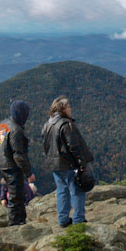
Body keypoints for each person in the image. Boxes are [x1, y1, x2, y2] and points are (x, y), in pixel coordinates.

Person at [41, 96, 94, 227]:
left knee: (61, 190)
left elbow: (45, 145)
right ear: (63, 109)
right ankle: (78, 219)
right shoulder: (66, 124)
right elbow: (74, 146)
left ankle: (63, 220)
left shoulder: (48, 124)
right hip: (69, 164)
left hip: (55, 164)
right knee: (77, 190)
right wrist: (82, 164)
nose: (70, 108)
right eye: (68, 106)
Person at [0, 100, 35, 225]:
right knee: (16, 196)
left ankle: (20, 220)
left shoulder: (3, 124)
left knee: (15, 194)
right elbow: (19, 155)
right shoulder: (16, 130)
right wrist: (28, 173)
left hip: (2, 163)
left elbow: (1, 143)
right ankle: (15, 223)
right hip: (12, 166)